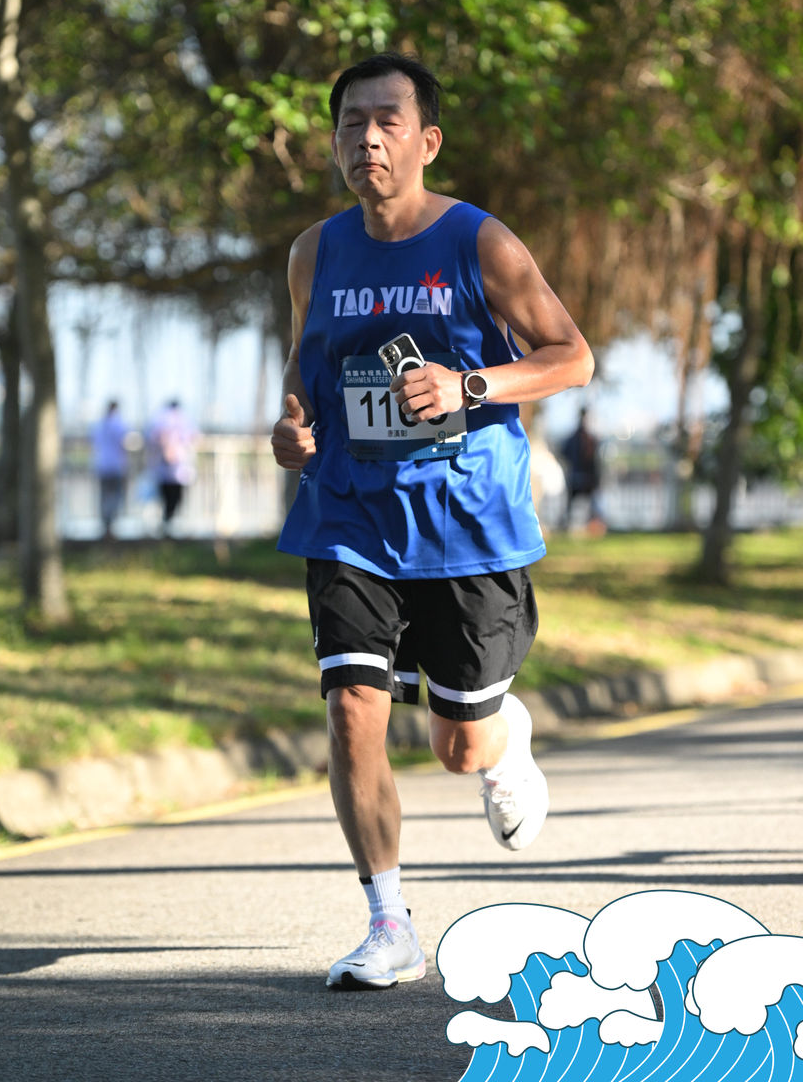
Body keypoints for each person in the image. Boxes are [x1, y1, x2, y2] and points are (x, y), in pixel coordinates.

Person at [271, 51, 594, 992]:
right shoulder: (313, 252)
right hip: (348, 514)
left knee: (458, 747)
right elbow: (304, 368)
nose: (366, 140)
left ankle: (500, 734)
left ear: (427, 141)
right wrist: (291, 426)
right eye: (350, 124)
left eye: (387, 122)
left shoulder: (477, 241)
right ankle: (388, 923)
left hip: (466, 521)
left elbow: (571, 356)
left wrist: (469, 386)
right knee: (351, 711)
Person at [146, 400, 197, 533]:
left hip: (171, 467)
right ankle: (168, 521)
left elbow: (152, 437)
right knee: (174, 497)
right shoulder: (183, 418)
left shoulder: (160, 418)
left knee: (167, 496)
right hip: (173, 466)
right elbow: (192, 437)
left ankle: (167, 521)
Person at [559, 407, 605, 531]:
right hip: (584, 478)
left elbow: (564, 453)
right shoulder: (589, 439)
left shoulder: (577, 438)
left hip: (579, 478)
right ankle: (594, 523)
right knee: (591, 504)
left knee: (578, 505)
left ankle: (592, 523)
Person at [90, 400, 129, 538]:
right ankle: (110, 523)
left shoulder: (98, 424)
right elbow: (125, 442)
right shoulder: (119, 424)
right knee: (114, 496)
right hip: (116, 466)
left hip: (102, 465)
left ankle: (105, 524)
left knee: (104, 496)